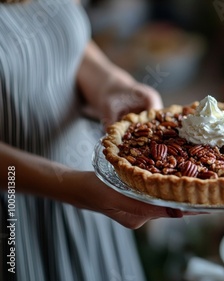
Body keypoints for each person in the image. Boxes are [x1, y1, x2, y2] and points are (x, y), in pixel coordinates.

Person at [0, 0, 194, 280]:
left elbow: (66, 45)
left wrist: (113, 87)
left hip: (90, 186)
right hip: (18, 210)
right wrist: (69, 186)